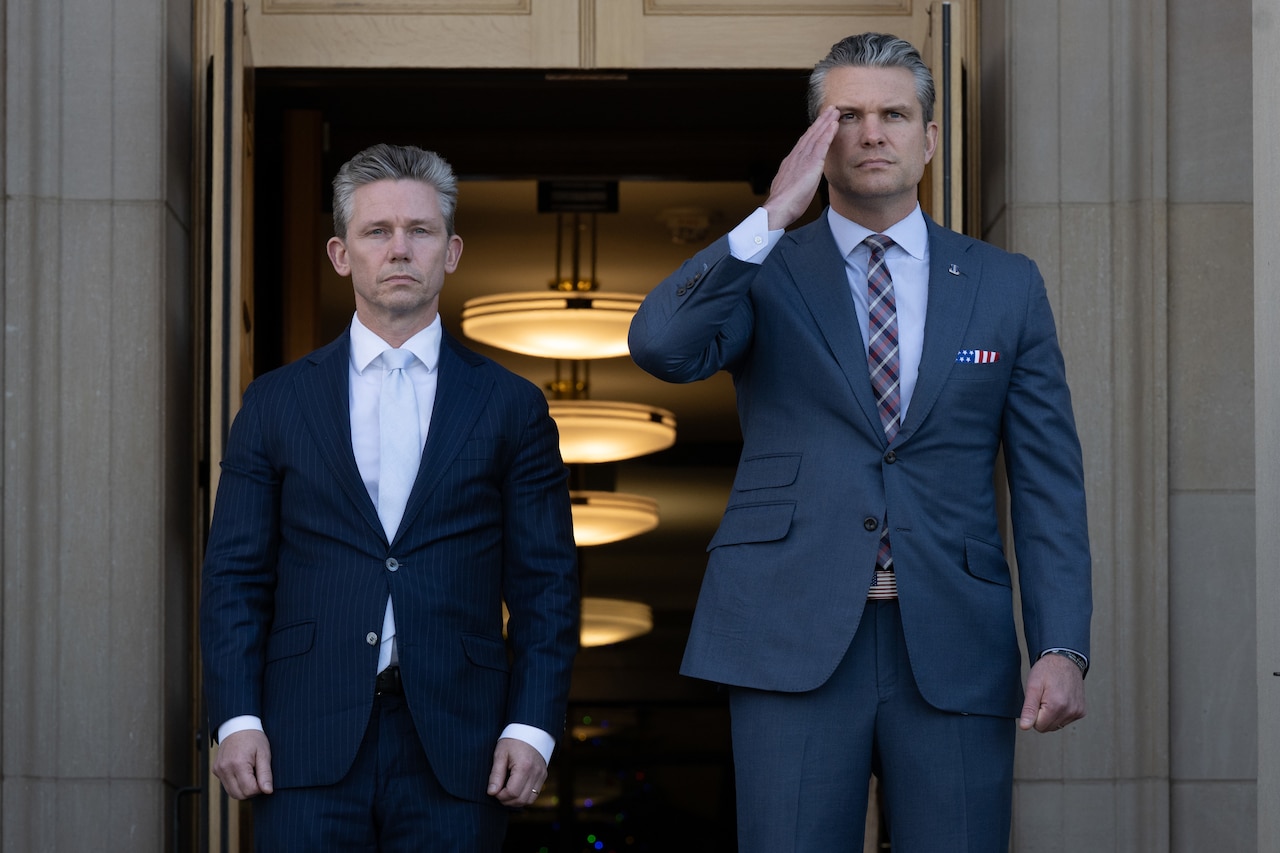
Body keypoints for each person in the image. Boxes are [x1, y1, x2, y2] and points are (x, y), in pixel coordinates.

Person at [628, 33, 1091, 852]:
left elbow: (1048, 480)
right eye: (847, 116)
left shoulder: (1005, 284)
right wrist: (771, 215)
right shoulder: (765, 270)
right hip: (788, 634)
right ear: (816, 138)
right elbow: (662, 346)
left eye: (894, 114)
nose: (872, 133)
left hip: (954, 637)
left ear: (929, 140)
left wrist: (1060, 644)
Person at [200, 143, 580, 851]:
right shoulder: (275, 403)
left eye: (420, 230)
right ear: (342, 254)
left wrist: (532, 725)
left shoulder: (512, 406)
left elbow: (547, 583)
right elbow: (233, 576)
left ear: (452, 250)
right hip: (301, 735)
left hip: (461, 741)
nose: (399, 249)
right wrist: (237, 718)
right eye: (378, 232)